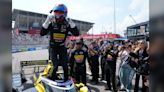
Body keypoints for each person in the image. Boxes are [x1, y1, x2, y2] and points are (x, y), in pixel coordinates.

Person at [40, 4, 79, 82]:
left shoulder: (67, 23)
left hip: (62, 47)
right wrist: (47, 21)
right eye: (56, 12)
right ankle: (52, 78)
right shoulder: (51, 22)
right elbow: (42, 33)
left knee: (65, 64)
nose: (57, 14)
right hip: (53, 47)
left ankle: (66, 79)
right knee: (55, 65)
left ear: (64, 13)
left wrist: (71, 23)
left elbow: (76, 34)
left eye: (60, 12)